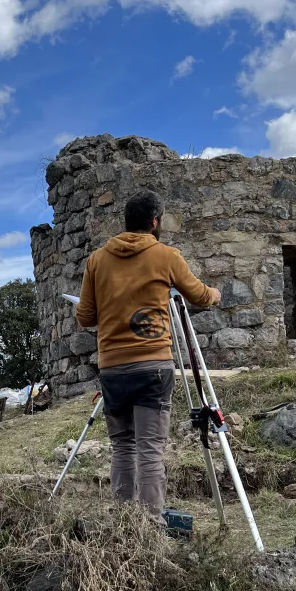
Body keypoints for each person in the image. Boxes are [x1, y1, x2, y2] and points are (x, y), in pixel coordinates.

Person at [76, 189, 221, 524]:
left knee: (123, 447)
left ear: (126, 222)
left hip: (112, 368)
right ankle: (150, 526)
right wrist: (214, 293)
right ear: (155, 221)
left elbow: (85, 317)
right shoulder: (166, 256)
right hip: (152, 366)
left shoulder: (97, 260)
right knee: (150, 451)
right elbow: (198, 295)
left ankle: (125, 524)